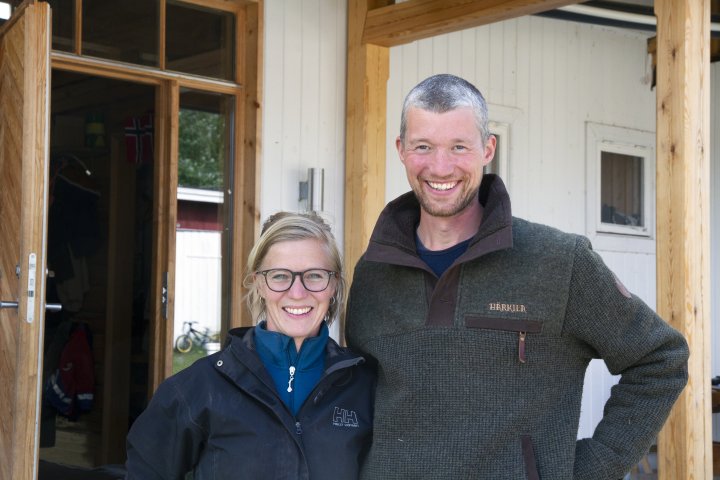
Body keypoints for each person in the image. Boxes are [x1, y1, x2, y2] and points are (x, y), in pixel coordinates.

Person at [345, 73, 689, 479]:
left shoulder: (560, 262)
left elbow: (660, 358)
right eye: (423, 146)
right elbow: (357, 399)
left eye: (459, 146)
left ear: (487, 149)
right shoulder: (373, 272)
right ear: (401, 150)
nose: (440, 166)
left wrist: (592, 468)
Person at [126, 211, 375, 479]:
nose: (298, 292)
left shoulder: (363, 387)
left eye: (314, 275)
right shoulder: (198, 389)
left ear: (334, 284)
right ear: (259, 283)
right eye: (280, 276)